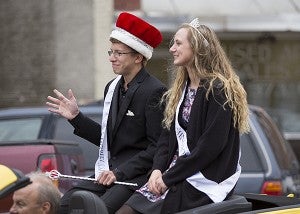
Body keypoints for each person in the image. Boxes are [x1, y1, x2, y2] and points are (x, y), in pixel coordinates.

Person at [117, 18, 250, 214]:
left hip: (203, 180)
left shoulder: (218, 90)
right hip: (173, 175)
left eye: (178, 43)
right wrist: (156, 170)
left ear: (197, 48)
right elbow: (166, 139)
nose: (171, 49)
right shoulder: (182, 89)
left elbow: (209, 148)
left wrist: (167, 179)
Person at [46, 12, 166, 214]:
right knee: (65, 205)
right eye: (111, 52)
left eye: (119, 53)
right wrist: (76, 118)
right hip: (109, 173)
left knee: (97, 210)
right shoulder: (112, 87)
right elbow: (108, 139)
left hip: (136, 176)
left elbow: (158, 147)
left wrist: (119, 172)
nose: (112, 58)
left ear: (138, 57)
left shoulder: (154, 91)